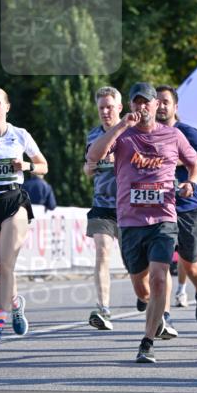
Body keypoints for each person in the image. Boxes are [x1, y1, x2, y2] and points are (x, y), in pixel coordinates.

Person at [86, 82, 197, 362]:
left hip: (163, 217)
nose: (142, 107)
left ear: (155, 105)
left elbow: (195, 164)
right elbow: (93, 156)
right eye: (136, 102)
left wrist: (191, 183)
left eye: (146, 102)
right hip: (130, 221)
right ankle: (154, 311)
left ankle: (147, 342)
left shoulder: (173, 135)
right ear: (131, 106)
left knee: (160, 277)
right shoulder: (122, 137)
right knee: (141, 285)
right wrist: (120, 126)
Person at [0, 88, 48, 346]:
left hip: (13, 200)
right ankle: (15, 303)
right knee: (2, 269)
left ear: (7, 106)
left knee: (5, 265)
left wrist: (26, 166)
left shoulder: (20, 135)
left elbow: (43, 166)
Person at [156, 85, 197, 325]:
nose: (160, 106)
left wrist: (178, 160)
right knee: (162, 263)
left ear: (175, 107)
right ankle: (164, 317)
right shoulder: (147, 135)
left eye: (165, 102)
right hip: (160, 207)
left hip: (189, 206)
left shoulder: (186, 132)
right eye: (156, 101)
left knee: (189, 264)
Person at [84, 87, 123, 331]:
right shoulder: (93, 136)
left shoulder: (131, 133)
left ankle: (149, 301)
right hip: (102, 205)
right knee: (102, 252)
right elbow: (87, 169)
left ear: (119, 108)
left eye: (110, 107)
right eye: (101, 108)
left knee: (136, 264)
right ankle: (104, 308)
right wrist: (90, 167)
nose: (106, 112)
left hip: (131, 206)